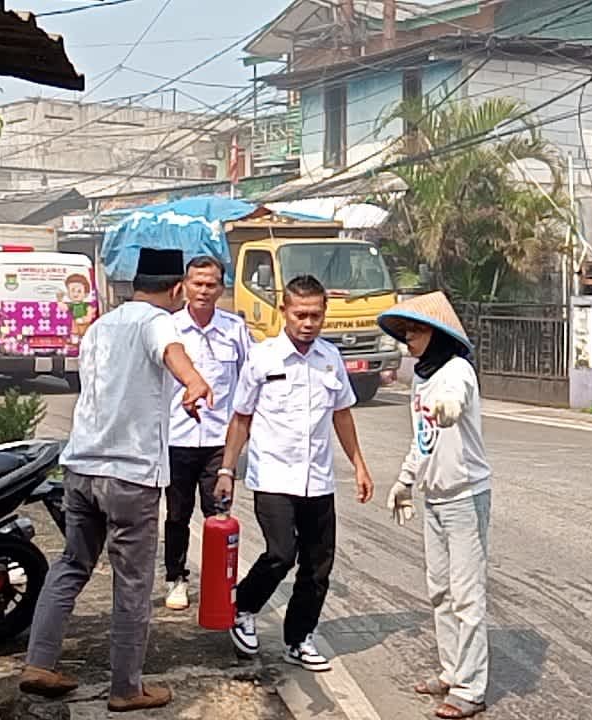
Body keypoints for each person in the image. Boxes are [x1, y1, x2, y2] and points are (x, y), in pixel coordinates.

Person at [19, 248, 214, 712]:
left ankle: (38, 662)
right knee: (132, 582)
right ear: (177, 289)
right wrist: (193, 381)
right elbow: (171, 351)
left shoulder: (100, 326)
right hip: (130, 475)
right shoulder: (158, 321)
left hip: (82, 468)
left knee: (72, 562)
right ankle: (126, 688)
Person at [214, 274, 375, 672]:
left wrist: (359, 464)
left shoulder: (330, 358)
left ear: (324, 314)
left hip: (317, 478)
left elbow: (342, 414)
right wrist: (226, 469)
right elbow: (241, 418)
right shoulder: (263, 358)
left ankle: (299, 638)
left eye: (315, 315)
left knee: (318, 564)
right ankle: (243, 607)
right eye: (300, 314)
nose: (307, 323)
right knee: (281, 553)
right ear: (283, 311)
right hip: (273, 475)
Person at [377, 291, 492, 720]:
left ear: (438, 335)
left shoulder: (457, 370)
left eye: (416, 331)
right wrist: (405, 481)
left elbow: (454, 403)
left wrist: (449, 409)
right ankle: (452, 670)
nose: (408, 338)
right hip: (435, 497)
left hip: (465, 496)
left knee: (466, 595)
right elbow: (424, 439)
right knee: (440, 590)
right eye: (406, 331)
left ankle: (470, 688)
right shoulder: (421, 379)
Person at [163, 256, 253, 611]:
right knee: (177, 514)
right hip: (176, 438)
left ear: (221, 288)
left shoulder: (235, 329)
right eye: (197, 283)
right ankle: (176, 578)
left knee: (218, 514)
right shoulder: (168, 328)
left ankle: (219, 584)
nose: (203, 290)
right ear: (184, 286)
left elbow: (250, 379)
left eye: (211, 284)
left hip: (220, 441)